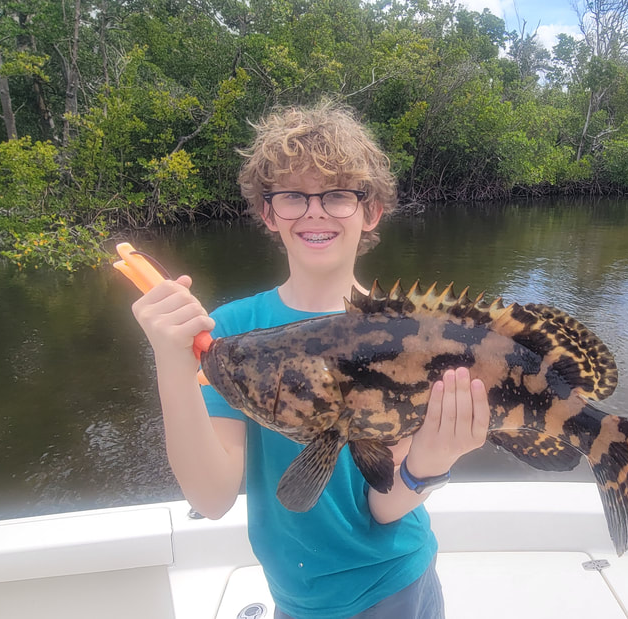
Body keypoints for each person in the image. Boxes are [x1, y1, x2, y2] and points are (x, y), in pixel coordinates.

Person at [130, 100, 491, 619]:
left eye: (337, 195)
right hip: (294, 601)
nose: (315, 211)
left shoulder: (408, 334)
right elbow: (211, 499)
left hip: (395, 587)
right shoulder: (232, 334)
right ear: (268, 212)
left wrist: (435, 460)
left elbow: (383, 505)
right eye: (293, 196)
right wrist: (171, 361)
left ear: (370, 211)